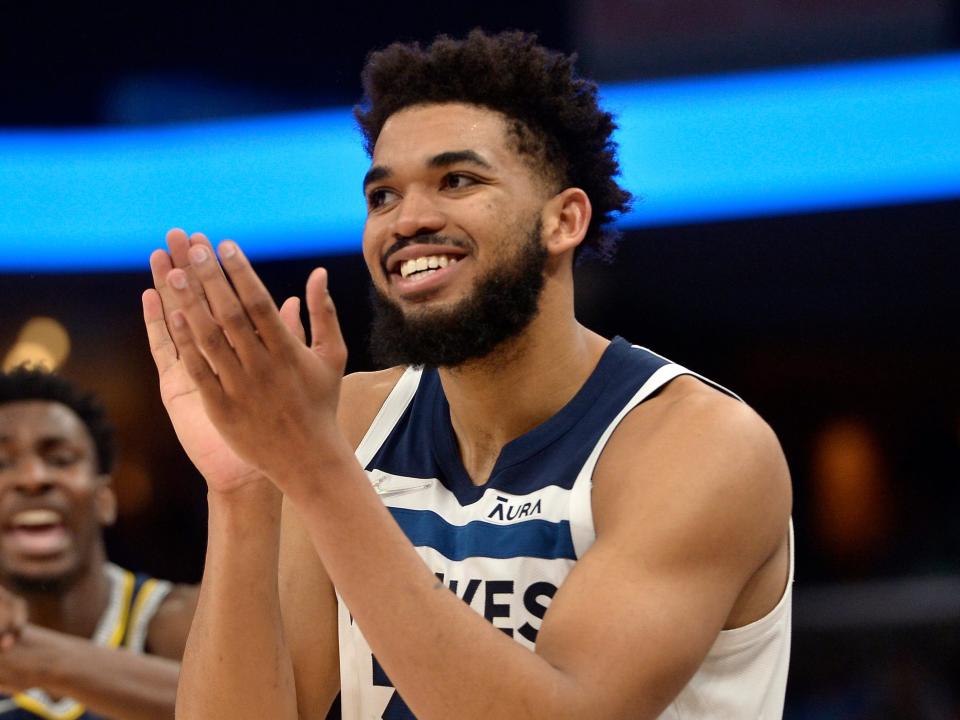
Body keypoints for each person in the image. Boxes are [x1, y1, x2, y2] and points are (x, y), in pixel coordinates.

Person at [142, 30, 793, 719]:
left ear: (563, 220)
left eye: (457, 181)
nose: (409, 220)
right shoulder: (347, 426)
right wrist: (244, 490)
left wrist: (312, 469)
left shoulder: (699, 445)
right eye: (383, 196)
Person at [0, 367, 198, 720]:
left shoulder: (184, 622)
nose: (33, 479)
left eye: (60, 460)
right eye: (2, 464)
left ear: (105, 499)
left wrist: (38, 659)